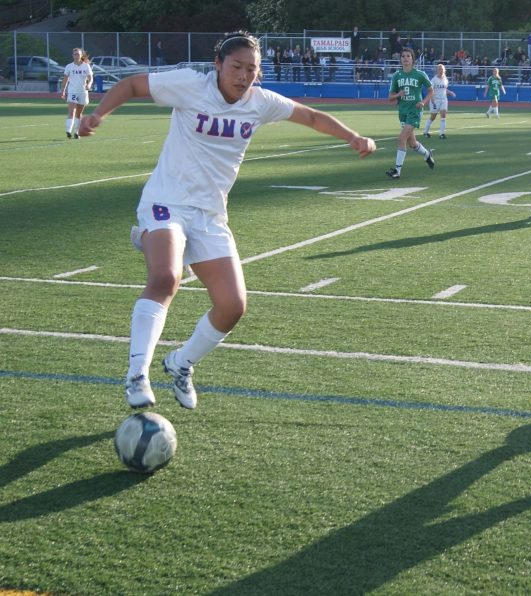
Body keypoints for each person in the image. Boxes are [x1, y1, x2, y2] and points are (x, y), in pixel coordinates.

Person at [78, 31, 376, 410]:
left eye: (252, 69)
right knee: (166, 278)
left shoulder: (260, 102)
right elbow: (134, 84)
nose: (243, 76)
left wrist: (353, 137)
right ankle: (137, 373)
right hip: (166, 200)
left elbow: (310, 116)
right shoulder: (190, 84)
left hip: (210, 215)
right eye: (236, 66)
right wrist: (99, 113)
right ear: (218, 64)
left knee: (232, 306)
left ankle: (181, 364)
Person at [385, 48, 435, 179]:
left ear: (413, 59)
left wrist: (423, 102)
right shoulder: (397, 76)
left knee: (401, 139)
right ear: (400, 59)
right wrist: (398, 94)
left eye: (408, 56)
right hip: (403, 111)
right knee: (412, 143)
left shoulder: (420, 74)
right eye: (403, 56)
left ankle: (397, 171)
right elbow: (390, 97)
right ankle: (427, 155)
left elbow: (431, 91)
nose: (405, 58)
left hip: (415, 110)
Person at [60, 47, 93, 139]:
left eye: (78, 54)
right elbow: (65, 79)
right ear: (72, 55)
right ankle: (68, 130)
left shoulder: (86, 66)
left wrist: (89, 84)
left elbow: (90, 78)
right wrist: (63, 91)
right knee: (72, 111)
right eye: (75, 54)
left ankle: (76, 132)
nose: (76, 55)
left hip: (82, 92)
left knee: (79, 113)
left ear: (81, 55)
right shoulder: (69, 66)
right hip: (72, 91)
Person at [422, 63, 455, 139]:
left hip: (443, 100)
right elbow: (431, 91)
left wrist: (450, 92)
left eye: (442, 69)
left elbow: (444, 89)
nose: (441, 71)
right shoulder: (433, 80)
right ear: (437, 70)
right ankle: (425, 132)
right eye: (439, 69)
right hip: (435, 100)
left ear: (444, 70)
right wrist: (432, 101)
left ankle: (442, 134)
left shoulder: (445, 79)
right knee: (433, 117)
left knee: (443, 116)